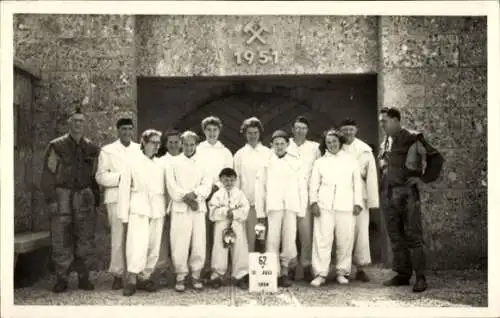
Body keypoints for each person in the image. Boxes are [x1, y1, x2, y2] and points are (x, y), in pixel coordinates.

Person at [40, 108, 100, 293]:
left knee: (85, 237)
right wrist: (51, 200)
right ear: (69, 123)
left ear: (85, 124)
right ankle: (62, 278)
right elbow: (48, 175)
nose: (78, 124)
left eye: (81, 121)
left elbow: (95, 175)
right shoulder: (56, 146)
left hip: (84, 196)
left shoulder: (91, 148)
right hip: (63, 195)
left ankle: (84, 277)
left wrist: (96, 198)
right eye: (75, 121)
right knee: (61, 236)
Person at [379, 107, 428, 293]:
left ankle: (421, 277)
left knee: (414, 236)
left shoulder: (413, 137)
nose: (382, 124)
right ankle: (402, 274)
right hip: (389, 194)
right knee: (395, 235)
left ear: (395, 120)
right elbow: (385, 163)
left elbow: (434, 157)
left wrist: (421, 178)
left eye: (384, 121)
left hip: (407, 195)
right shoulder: (387, 141)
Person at [309, 130, 363, 287]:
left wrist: (358, 203)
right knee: (322, 240)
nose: (332, 144)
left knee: (345, 240)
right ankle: (320, 273)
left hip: (346, 205)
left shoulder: (350, 160)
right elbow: (313, 185)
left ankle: (342, 272)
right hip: (324, 206)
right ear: (325, 144)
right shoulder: (320, 162)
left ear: (339, 141)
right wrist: (314, 203)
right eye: (328, 142)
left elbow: (357, 183)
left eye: (334, 141)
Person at [254, 130, 308, 288]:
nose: (279, 146)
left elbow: (301, 187)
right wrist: (260, 212)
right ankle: (272, 273)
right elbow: (260, 189)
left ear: (287, 145)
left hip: (291, 206)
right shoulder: (266, 163)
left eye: (282, 144)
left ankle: (285, 271)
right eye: (276, 144)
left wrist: (301, 210)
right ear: (271, 145)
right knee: (272, 240)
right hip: (274, 207)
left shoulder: (295, 162)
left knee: (289, 239)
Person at [117, 129, 166, 296]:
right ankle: (131, 280)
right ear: (144, 143)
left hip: (157, 209)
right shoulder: (132, 162)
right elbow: (124, 190)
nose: (156, 146)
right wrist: (123, 215)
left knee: (153, 245)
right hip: (139, 208)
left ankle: (145, 277)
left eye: (158, 143)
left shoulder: (160, 164)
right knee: (137, 245)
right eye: (153, 142)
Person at [95, 117, 140, 290]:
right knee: (118, 237)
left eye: (129, 129)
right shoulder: (108, 151)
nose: (127, 133)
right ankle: (117, 274)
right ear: (118, 131)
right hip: (115, 198)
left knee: (135, 237)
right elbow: (100, 176)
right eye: (123, 129)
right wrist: (121, 178)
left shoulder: (139, 149)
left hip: (135, 199)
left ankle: (134, 274)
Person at [166, 131, 212, 292]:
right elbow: (171, 186)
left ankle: (196, 274)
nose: (188, 147)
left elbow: (207, 184)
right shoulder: (173, 163)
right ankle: (180, 275)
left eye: (192, 144)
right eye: (185, 144)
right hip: (180, 208)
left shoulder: (203, 162)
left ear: (196, 145)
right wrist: (186, 198)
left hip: (197, 208)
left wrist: (195, 196)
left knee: (198, 242)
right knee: (180, 242)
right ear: (181, 144)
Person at [339, 118, 379, 282]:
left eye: (351, 129)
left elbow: (371, 176)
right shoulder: (336, 146)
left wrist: (372, 200)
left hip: (360, 195)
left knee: (361, 232)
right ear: (341, 131)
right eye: (345, 129)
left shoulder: (364, 149)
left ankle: (360, 268)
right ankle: (343, 269)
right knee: (343, 232)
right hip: (341, 194)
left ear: (356, 130)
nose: (348, 133)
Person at [197, 116, 234, 280]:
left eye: (215, 130)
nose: (212, 133)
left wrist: (216, 188)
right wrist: (204, 190)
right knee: (202, 233)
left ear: (219, 131)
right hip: (202, 196)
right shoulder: (198, 150)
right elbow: (195, 172)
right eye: (209, 130)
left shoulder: (225, 152)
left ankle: (217, 270)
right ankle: (202, 267)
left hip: (219, 197)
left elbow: (228, 174)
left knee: (218, 232)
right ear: (204, 131)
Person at [286, 116, 321, 282]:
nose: (300, 131)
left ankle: (307, 265)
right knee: (290, 232)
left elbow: (319, 172)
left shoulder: (314, 148)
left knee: (306, 233)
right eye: (297, 128)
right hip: (289, 194)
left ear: (307, 131)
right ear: (292, 129)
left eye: (303, 128)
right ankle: (291, 265)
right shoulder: (284, 145)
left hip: (306, 194)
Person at [208, 168, 250, 290]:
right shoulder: (217, 195)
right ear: (220, 180)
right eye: (226, 180)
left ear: (235, 180)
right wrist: (225, 212)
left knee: (240, 249)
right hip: (221, 224)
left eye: (231, 180)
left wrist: (235, 214)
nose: (229, 183)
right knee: (219, 249)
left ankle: (240, 275)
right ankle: (217, 275)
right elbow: (212, 211)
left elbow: (245, 208)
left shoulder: (239, 194)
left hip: (236, 224)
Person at [233, 117, 271, 252]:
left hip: (265, 204)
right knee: (249, 237)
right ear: (245, 134)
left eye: (255, 133)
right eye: (249, 133)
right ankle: (249, 266)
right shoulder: (239, 155)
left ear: (259, 133)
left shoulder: (268, 153)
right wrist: (237, 202)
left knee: (263, 237)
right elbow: (236, 179)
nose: (252, 136)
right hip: (247, 203)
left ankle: (262, 269)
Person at [154, 129, 182, 286]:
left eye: (176, 142)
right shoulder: (160, 161)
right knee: (163, 235)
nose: (173, 145)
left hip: (181, 204)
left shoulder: (186, 160)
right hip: (164, 202)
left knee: (179, 236)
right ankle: (163, 269)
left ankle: (179, 270)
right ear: (165, 144)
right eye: (170, 142)